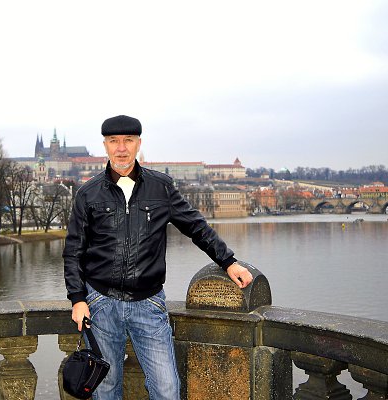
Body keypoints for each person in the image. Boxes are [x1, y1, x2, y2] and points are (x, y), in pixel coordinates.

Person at [63, 115, 253, 399]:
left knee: (167, 389)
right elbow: (73, 251)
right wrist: (78, 299)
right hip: (101, 303)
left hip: (148, 303)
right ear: (105, 146)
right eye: (114, 141)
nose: (121, 148)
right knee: (105, 389)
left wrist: (228, 262)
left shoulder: (160, 187)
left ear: (138, 144)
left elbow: (196, 226)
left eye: (128, 140)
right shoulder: (88, 193)